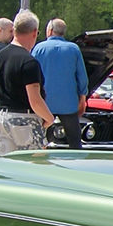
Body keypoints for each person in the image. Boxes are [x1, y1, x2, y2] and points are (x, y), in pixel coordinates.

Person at [0, 10, 56, 154]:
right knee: (32, 165)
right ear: (34, 32)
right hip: (25, 122)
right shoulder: (28, 62)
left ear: (14, 31)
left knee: (4, 166)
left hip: (2, 117)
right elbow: (35, 100)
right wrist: (49, 119)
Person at [31, 18, 89, 149]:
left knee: (39, 138)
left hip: (44, 103)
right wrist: (83, 98)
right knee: (75, 141)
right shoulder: (74, 49)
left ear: (50, 31)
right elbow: (82, 77)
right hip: (68, 104)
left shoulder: (38, 49)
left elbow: (31, 74)